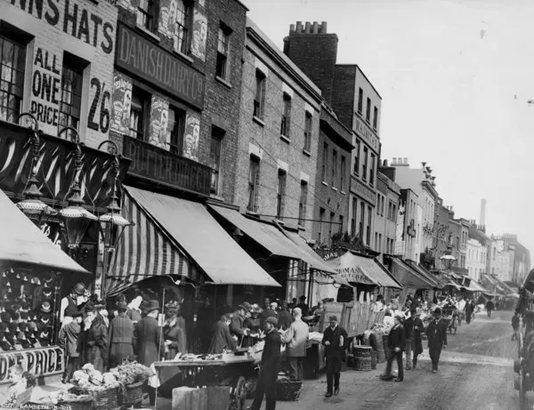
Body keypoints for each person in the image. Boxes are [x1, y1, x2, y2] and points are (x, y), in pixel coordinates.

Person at [248, 317, 281, 410]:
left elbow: (275, 355)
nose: (265, 325)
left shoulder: (274, 337)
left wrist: (266, 366)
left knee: (270, 391)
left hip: (270, 369)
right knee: (260, 388)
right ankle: (255, 407)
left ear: (272, 325)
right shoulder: (272, 335)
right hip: (266, 367)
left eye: (267, 324)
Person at [322, 315, 347, 397]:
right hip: (329, 354)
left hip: (338, 355)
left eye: (333, 322)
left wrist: (342, 347)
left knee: (336, 372)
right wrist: (325, 342)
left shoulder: (341, 330)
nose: (331, 324)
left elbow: (346, 342)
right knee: (329, 373)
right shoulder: (327, 330)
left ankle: (336, 387)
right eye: (330, 323)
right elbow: (323, 340)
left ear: (336, 322)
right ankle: (329, 391)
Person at [281, 307, 309, 381]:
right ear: (301, 314)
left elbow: (287, 339)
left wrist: (281, 338)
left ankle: (294, 385)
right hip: (302, 350)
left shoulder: (293, 325)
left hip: (293, 351)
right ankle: (300, 383)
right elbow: (307, 337)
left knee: (293, 370)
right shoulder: (305, 325)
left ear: (293, 314)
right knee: (300, 368)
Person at [108, 301, 136, 369]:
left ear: (118, 310)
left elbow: (109, 338)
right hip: (128, 350)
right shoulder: (130, 322)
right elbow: (133, 338)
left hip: (115, 350)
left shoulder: (114, 321)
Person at [58, 311, 83, 383]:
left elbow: (61, 337)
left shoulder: (67, 326)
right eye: (80, 318)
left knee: (70, 362)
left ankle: (66, 377)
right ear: (77, 318)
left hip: (69, 347)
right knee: (76, 364)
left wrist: (63, 345)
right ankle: (74, 378)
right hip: (78, 347)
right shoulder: (79, 327)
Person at [83, 305, 108, 372]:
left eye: (90, 315)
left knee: (95, 372)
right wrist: (85, 329)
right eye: (87, 315)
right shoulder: (87, 324)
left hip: (98, 352)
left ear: (95, 314)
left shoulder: (101, 326)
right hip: (88, 352)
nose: (89, 318)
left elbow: (105, 341)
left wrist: (95, 342)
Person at [381, 315, 405, 382]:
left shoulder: (401, 328)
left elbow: (402, 339)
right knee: (389, 360)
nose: (394, 321)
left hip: (397, 348)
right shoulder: (394, 327)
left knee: (399, 362)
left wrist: (399, 347)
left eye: (395, 320)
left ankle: (400, 377)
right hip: (393, 347)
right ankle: (388, 374)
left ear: (398, 320)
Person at [426, 307, 448, 373]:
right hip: (431, 342)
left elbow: (444, 334)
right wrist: (429, 337)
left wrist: (445, 343)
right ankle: (434, 363)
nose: (437, 316)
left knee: (436, 355)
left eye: (438, 315)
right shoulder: (431, 323)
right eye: (436, 315)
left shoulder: (443, 324)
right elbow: (427, 332)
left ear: (440, 315)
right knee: (431, 354)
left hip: (439, 342)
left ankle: (435, 366)